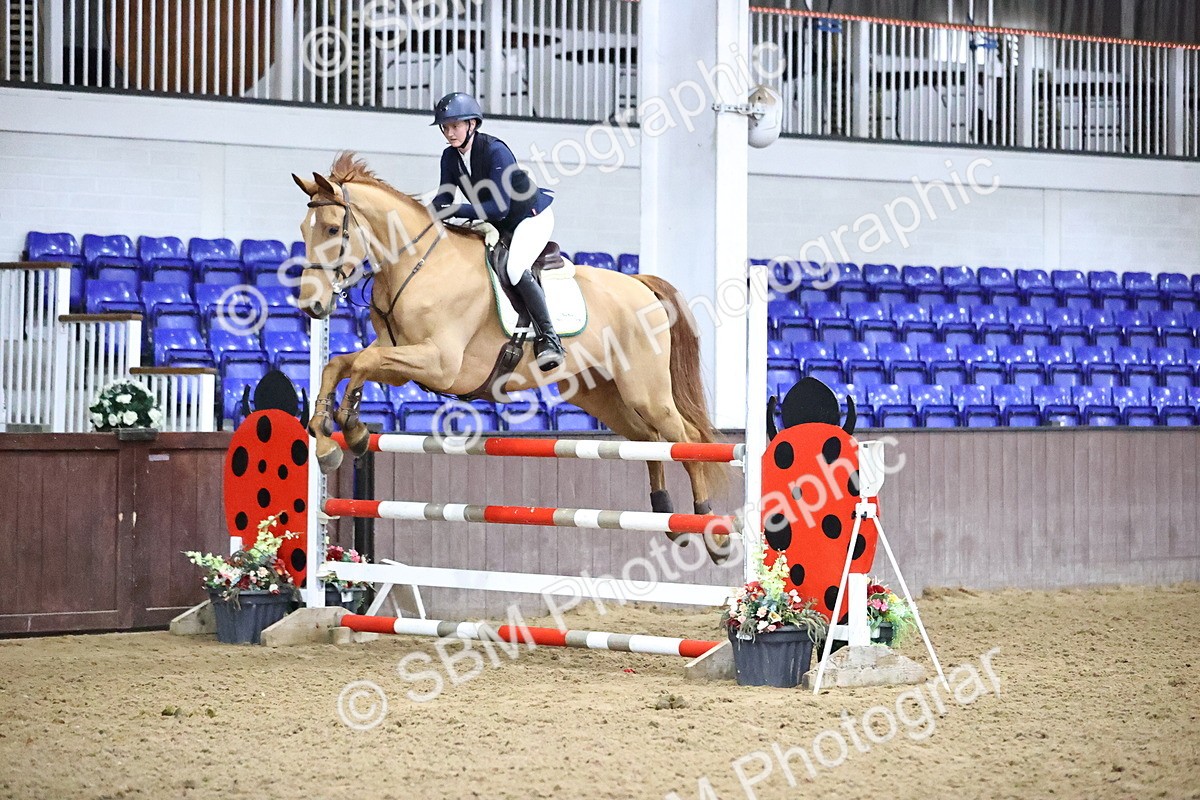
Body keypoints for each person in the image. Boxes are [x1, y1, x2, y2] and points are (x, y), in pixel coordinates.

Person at [429, 91, 566, 371]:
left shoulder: (494, 151)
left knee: (515, 268)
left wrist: (454, 211)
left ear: (472, 125)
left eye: (455, 125)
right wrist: (420, 214)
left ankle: (550, 340)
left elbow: (499, 208)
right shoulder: (449, 157)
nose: (450, 132)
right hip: (499, 223)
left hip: (529, 218)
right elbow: (443, 199)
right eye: (446, 126)